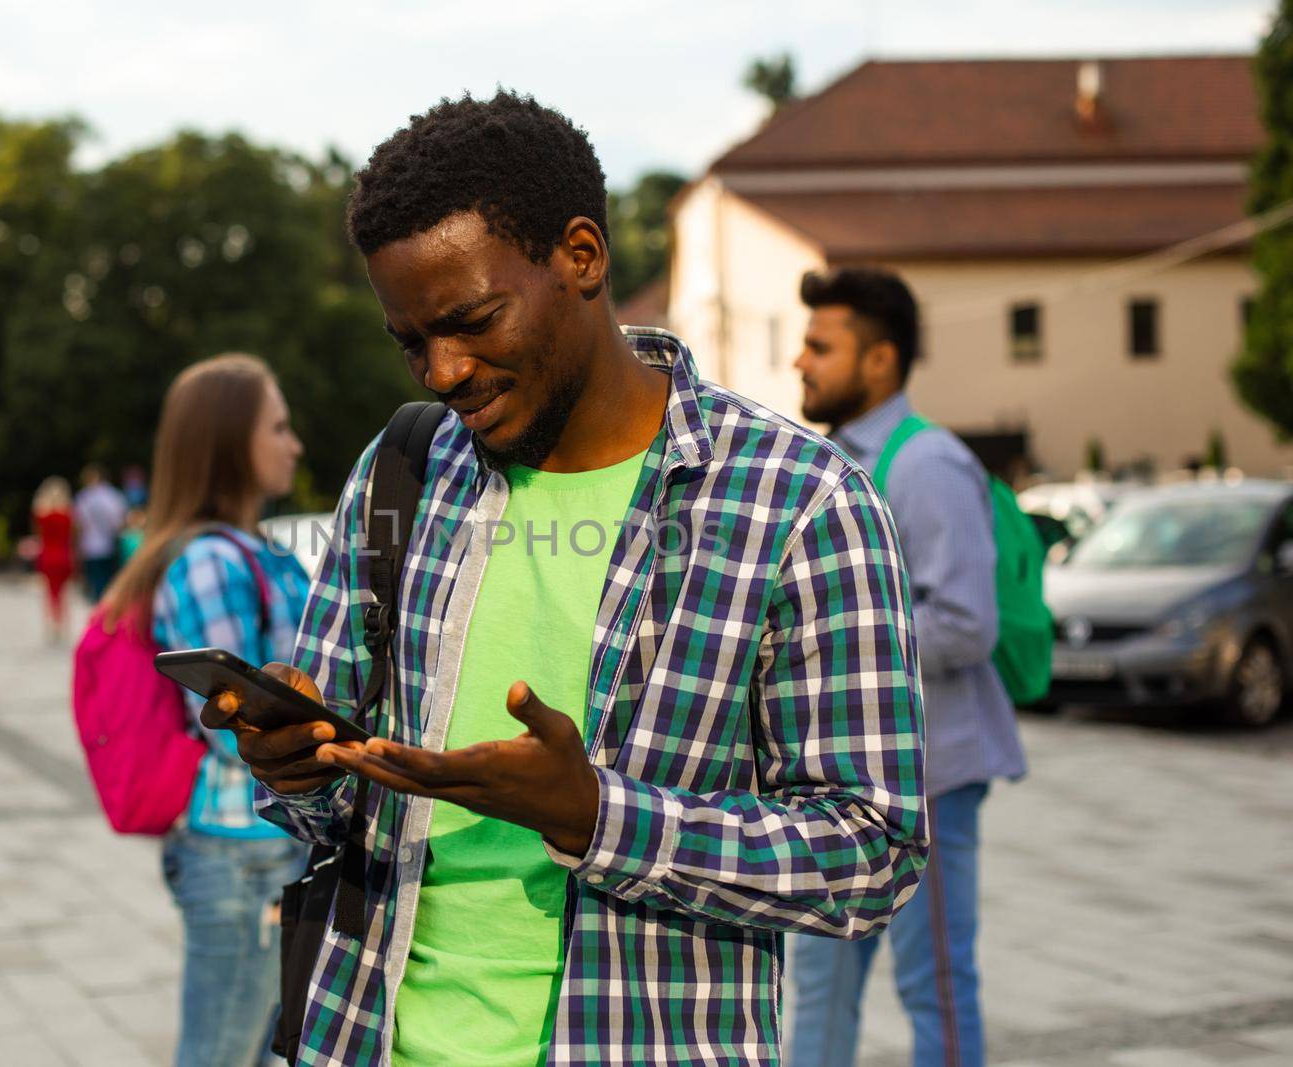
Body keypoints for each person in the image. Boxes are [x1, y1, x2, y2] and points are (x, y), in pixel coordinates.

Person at [209, 91, 927, 1067]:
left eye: (470, 319)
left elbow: (868, 852)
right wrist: (295, 761)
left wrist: (595, 814)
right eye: (411, 339)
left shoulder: (800, 504)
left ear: (580, 257)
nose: (442, 369)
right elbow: (331, 800)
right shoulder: (400, 469)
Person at [788, 267, 1028, 1067]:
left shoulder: (927, 463)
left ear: (880, 360)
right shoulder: (830, 461)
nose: (801, 361)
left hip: (931, 783)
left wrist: (831, 643)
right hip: (831, 787)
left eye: (822, 346)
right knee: (819, 989)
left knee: (937, 990)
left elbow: (966, 622)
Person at [101, 354, 311, 1067]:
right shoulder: (212, 562)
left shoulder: (253, 551)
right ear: (231, 442)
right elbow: (234, 728)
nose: (295, 443)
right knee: (221, 1052)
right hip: (242, 849)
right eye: (278, 427)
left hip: (259, 844)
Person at [75, 464, 128, 602]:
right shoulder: (113, 495)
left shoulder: (83, 497)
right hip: (110, 543)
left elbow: (79, 525)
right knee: (110, 580)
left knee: (96, 582)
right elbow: (120, 522)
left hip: (90, 545)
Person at [32, 476, 76, 643]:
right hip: (63, 555)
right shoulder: (67, 515)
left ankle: (51, 627)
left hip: (48, 556)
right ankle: (63, 626)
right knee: (64, 594)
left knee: (49, 594)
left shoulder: (42, 515)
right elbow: (71, 538)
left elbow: (39, 535)